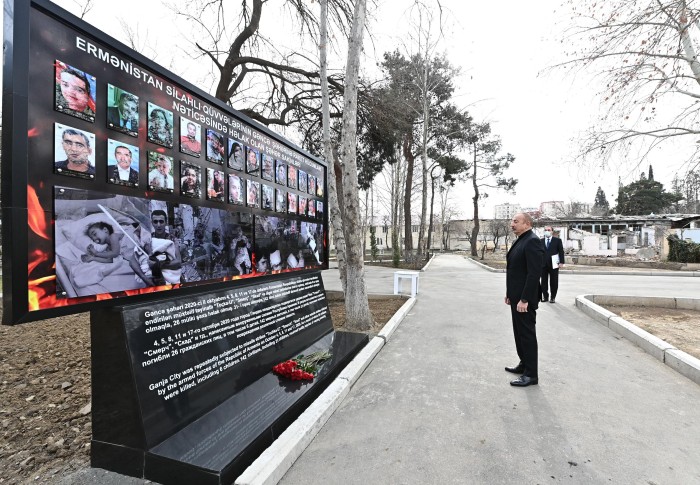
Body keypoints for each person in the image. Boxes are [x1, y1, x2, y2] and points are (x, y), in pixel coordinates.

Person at [504, 212, 544, 387]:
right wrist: (509, 293)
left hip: (524, 301)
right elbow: (515, 270)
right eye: (512, 221)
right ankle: (523, 364)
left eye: (516, 221)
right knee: (519, 334)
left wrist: (525, 299)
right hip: (516, 298)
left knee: (527, 335)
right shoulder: (521, 239)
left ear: (527, 224)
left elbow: (534, 274)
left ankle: (531, 375)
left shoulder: (532, 241)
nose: (512, 224)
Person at [130, 210, 182, 287]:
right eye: (155, 222)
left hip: (170, 282)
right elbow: (132, 261)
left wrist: (158, 265)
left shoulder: (172, 239)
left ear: (166, 222)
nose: (158, 225)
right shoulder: (146, 239)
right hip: (151, 282)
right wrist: (145, 278)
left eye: (161, 221)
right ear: (152, 223)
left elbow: (178, 262)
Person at [540, 226, 565, 303]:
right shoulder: (540, 241)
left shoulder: (557, 240)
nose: (547, 231)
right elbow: (538, 252)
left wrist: (561, 262)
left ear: (552, 231)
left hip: (554, 264)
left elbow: (561, 251)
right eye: (546, 230)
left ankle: (553, 297)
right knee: (543, 281)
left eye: (549, 230)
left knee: (553, 281)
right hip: (543, 264)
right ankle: (545, 296)